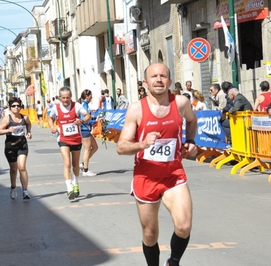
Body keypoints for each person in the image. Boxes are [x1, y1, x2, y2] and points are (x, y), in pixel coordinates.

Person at [116, 63, 198, 266]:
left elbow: (192, 120)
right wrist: (143, 144)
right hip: (146, 177)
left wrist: (191, 142)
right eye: (154, 76)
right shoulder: (136, 109)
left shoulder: (180, 103)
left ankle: (174, 262)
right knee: (150, 234)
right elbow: (121, 147)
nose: (159, 79)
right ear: (145, 82)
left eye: (163, 76)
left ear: (169, 81)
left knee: (184, 226)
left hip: (173, 174)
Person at [48, 86, 91, 200]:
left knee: (75, 165)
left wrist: (81, 121)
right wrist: (52, 127)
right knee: (67, 164)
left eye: (67, 98)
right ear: (59, 98)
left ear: (71, 97)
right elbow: (50, 118)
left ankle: (75, 183)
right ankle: (69, 188)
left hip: (76, 138)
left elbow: (88, 115)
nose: (65, 100)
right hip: (63, 139)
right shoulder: (56, 108)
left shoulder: (76, 106)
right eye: (63, 98)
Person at [0, 97, 32, 200]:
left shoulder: (25, 118)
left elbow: (29, 124)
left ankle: (25, 191)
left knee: (22, 167)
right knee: (13, 169)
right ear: (10, 107)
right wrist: (8, 130)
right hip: (10, 146)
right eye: (14, 106)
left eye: (18, 106)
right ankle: (13, 187)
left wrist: (29, 132)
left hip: (22, 145)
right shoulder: (7, 119)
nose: (16, 108)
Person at [78, 90, 98, 177]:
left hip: (86, 129)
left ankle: (83, 164)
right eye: (91, 95)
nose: (92, 97)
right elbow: (84, 120)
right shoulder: (83, 105)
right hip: (84, 129)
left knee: (95, 147)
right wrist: (94, 121)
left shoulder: (85, 104)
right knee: (87, 150)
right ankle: (85, 170)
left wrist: (94, 118)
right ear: (87, 96)